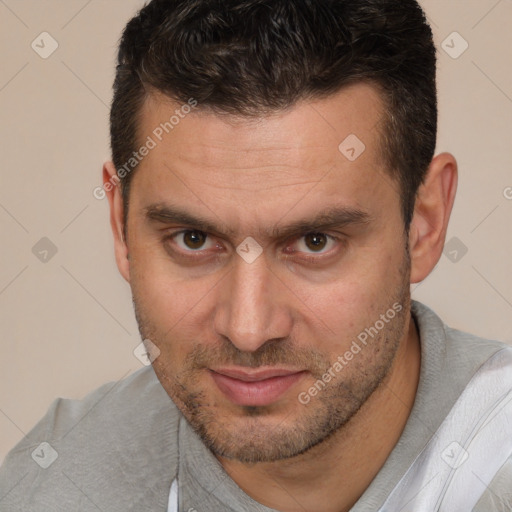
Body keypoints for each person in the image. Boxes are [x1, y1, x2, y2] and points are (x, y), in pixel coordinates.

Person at [1, 0, 511, 510]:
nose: (248, 329)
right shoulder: (49, 483)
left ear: (424, 224)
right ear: (120, 225)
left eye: (315, 242)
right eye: (193, 240)